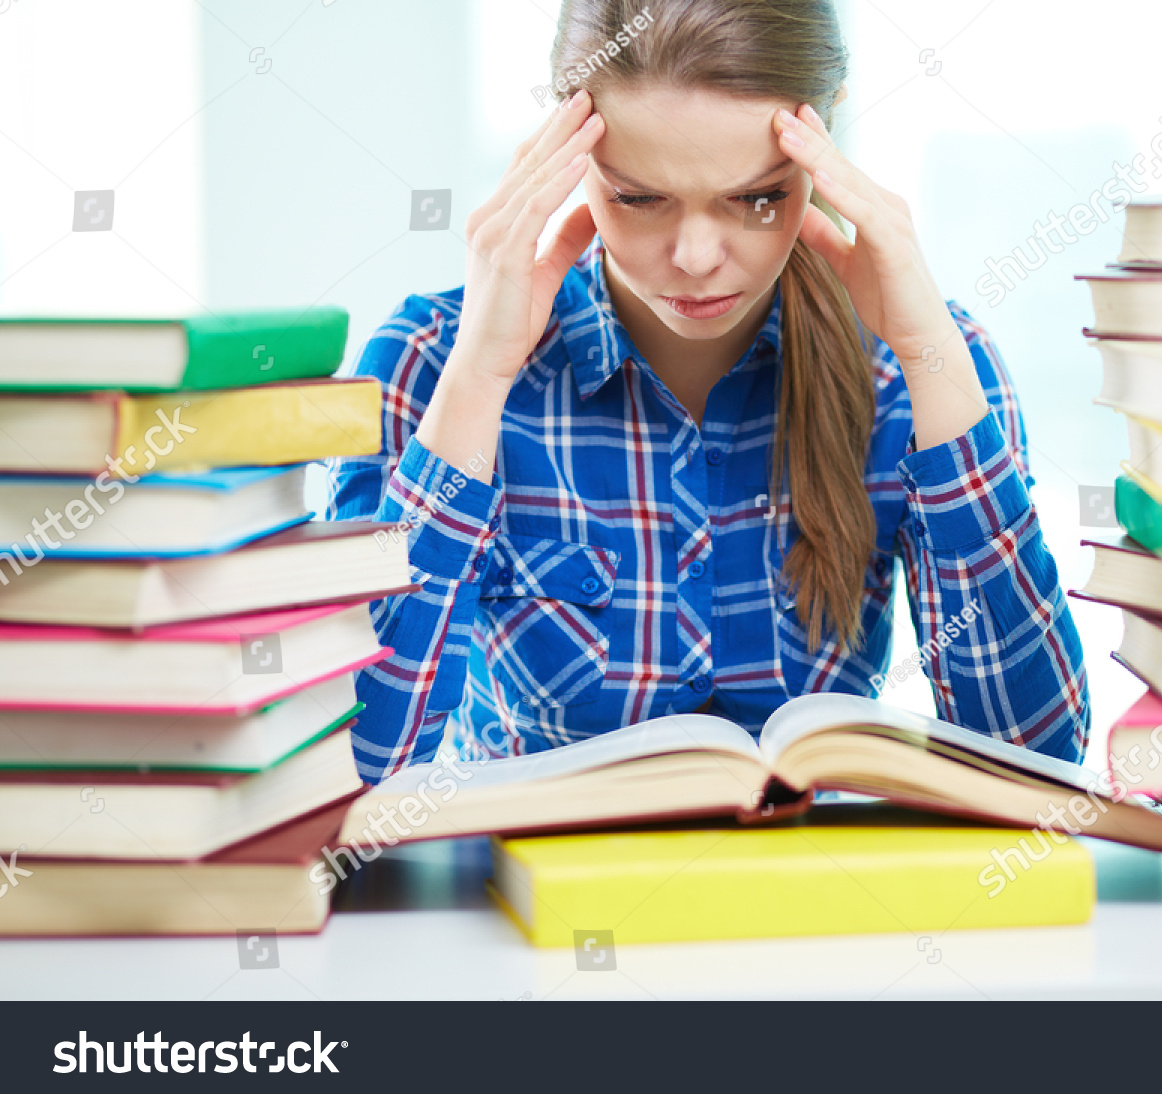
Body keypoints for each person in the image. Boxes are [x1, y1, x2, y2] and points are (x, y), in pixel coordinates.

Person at [327, 0, 1090, 783]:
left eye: (756, 197)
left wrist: (933, 360)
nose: (695, 257)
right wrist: (478, 381)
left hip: (831, 898)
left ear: (823, 144)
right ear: (562, 151)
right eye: (637, 197)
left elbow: (1038, 765)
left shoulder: (915, 366)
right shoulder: (429, 361)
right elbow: (355, 772)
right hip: (530, 898)